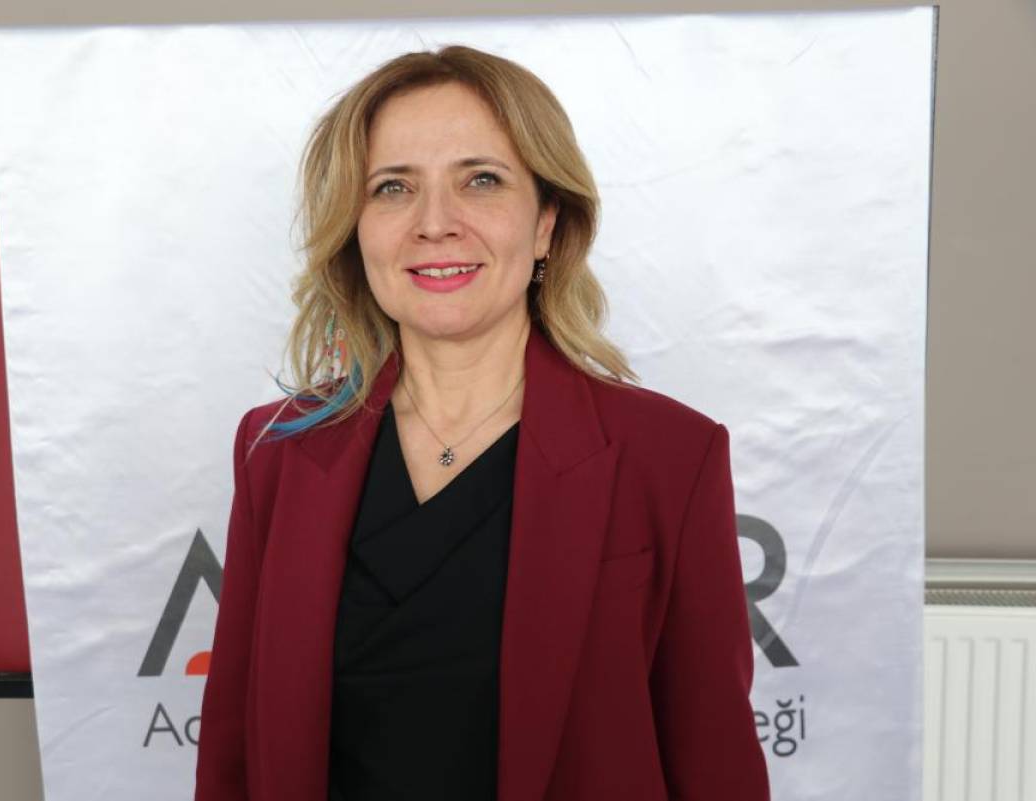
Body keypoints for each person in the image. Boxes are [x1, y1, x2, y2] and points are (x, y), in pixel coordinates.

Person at [195, 44, 770, 801]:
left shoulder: (669, 456)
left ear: (547, 223)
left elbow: (716, 763)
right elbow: (232, 757)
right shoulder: (276, 450)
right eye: (393, 187)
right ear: (355, 229)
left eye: (482, 180)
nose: (435, 223)